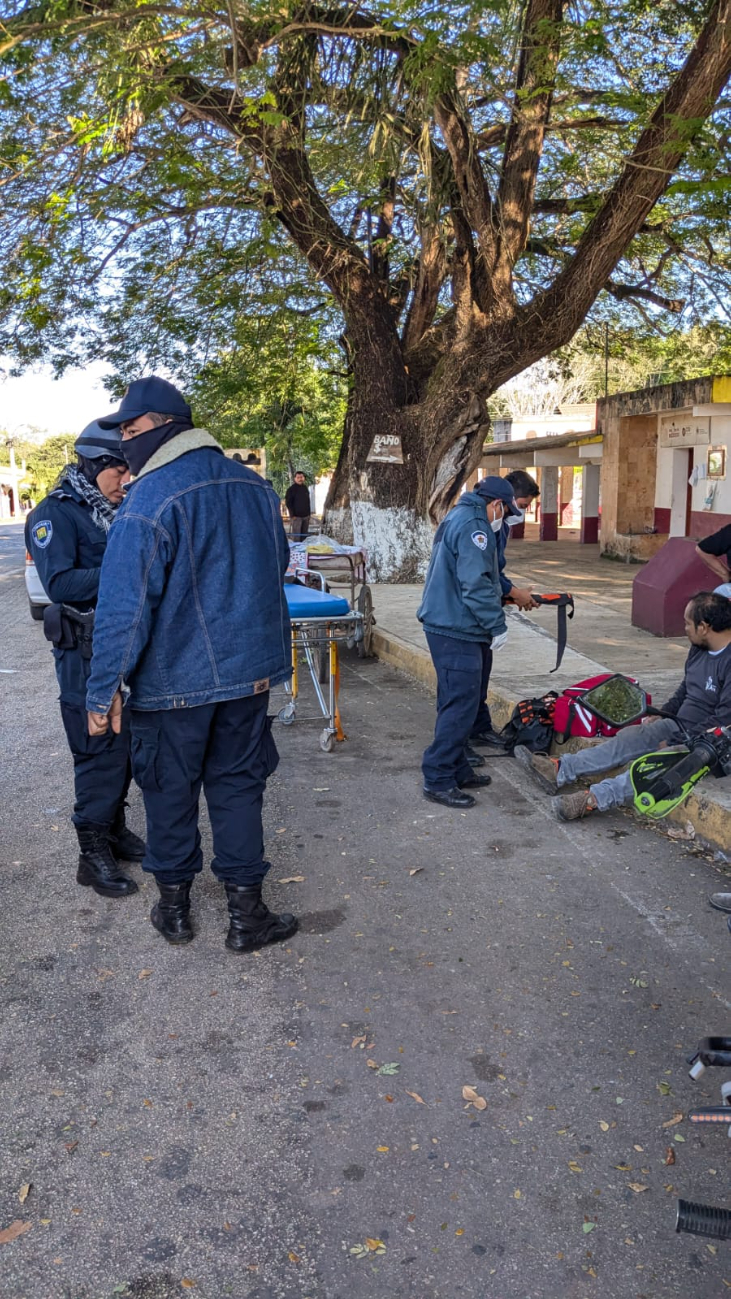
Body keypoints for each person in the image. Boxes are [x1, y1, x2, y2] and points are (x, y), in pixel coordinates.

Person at [85, 376, 298, 953]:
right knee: (237, 790)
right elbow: (273, 570)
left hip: (171, 686)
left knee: (168, 793)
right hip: (246, 677)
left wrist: (102, 689)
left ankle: (174, 911)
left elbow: (125, 607)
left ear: (162, 425)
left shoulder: (149, 500)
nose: (125, 442)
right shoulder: (255, 487)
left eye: (130, 430)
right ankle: (245, 917)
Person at [25, 423, 145, 898]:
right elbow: (61, 585)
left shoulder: (115, 510)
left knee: (125, 743)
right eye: (118, 468)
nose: (125, 477)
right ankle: (90, 853)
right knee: (97, 746)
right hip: (83, 652)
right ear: (93, 464)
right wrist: (128, 571)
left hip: (119, 644)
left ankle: (113, 829)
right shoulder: (55, 514)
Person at [515, 591, 731, 821]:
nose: (685, 628)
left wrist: (676, 742)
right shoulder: (699, 649)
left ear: (704, 627)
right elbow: (685, 689)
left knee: (657, 765)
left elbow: (723, 718)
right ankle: (559, 770)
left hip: (711, 745)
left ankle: (591, 800)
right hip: (681, 727)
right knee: (629, 737)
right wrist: (662, 714)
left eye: (688, 624)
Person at [417, 476, 521, 809]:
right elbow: (475, 584)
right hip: (455, 626)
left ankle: (458, 767)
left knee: (460, 701)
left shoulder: (460, 515)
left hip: (453, 623)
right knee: (460, 705)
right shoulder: (475, 526)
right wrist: (497, 624)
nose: (503, 520)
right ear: (497, 505)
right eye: (505, 512)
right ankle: (438, 776)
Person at [471, 469, 541, 750]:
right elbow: (482, 573)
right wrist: (512, 593)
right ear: (503, 501)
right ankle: (455, 749)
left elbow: (495, 571)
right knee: (467, 685)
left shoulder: (499, 524)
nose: (522, 512)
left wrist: (511, 594)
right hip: (466, 616)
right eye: (522, 506)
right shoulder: (478, 526)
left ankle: (477, 730)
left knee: (480, 678)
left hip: (484, 607)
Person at [285, 471, 311, 541]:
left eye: (301, 477)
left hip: (306, 516)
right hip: (296, 517)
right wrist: (292, 515)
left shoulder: (305, 488)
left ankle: (304, 551)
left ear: (304, 478)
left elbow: (307, 502)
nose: (300, 479)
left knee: (304, 537)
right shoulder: (291, 490)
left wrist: (309, 514)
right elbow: (288, 503)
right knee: (296, 537)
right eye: (298, 477)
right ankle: (296, 551)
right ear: (295, 479)